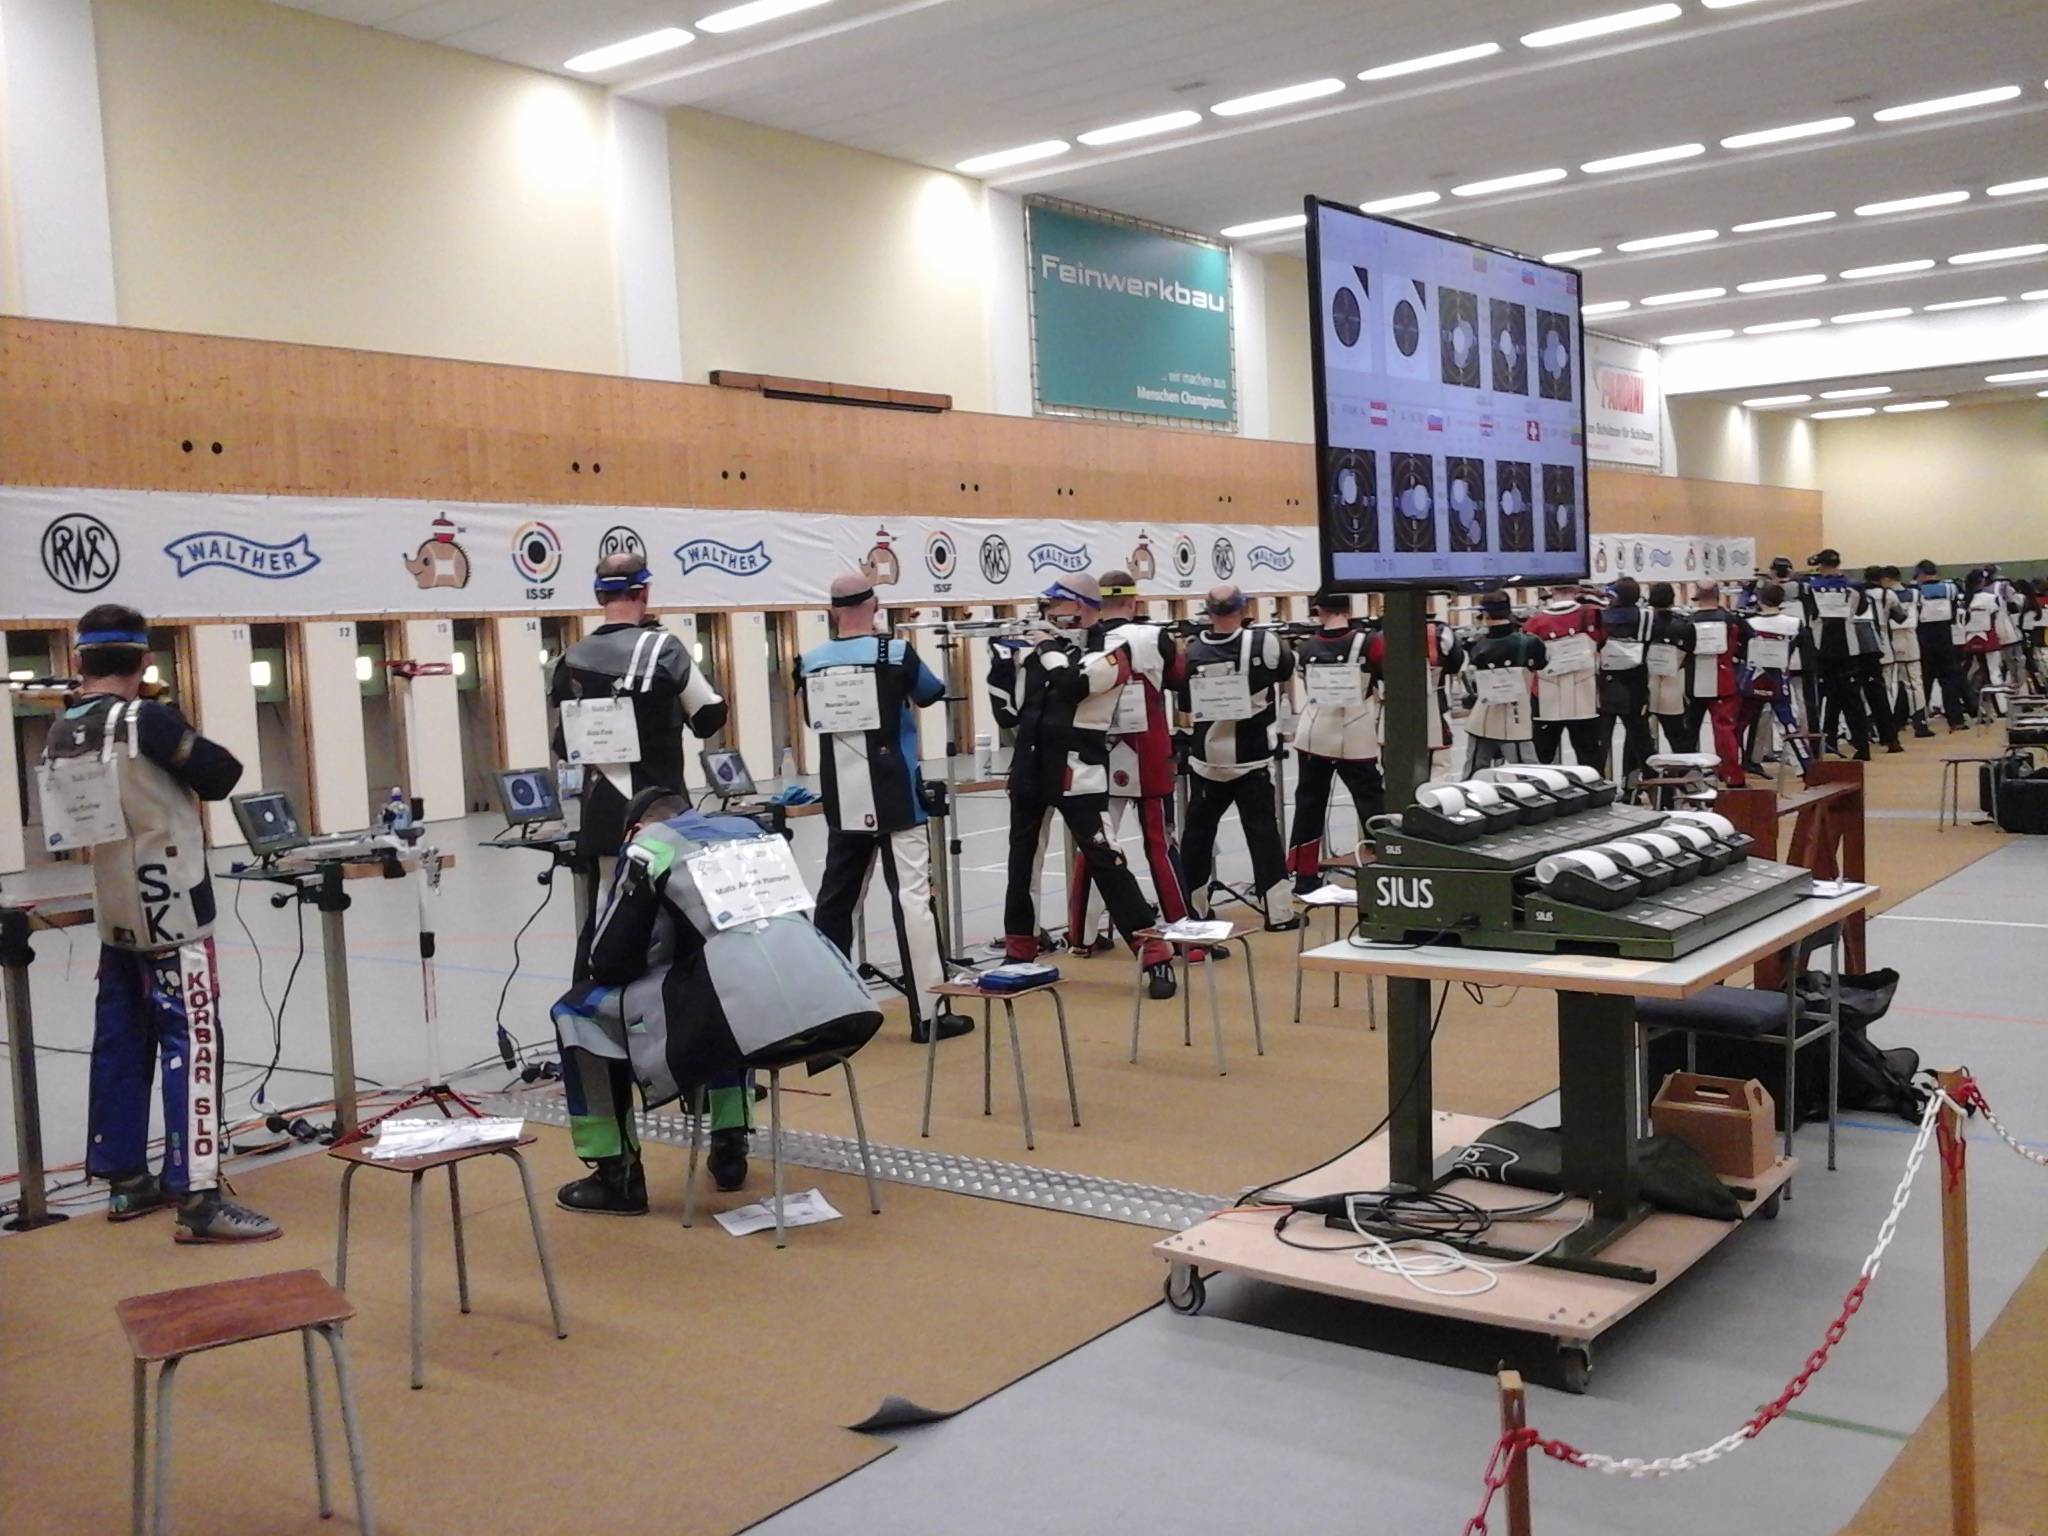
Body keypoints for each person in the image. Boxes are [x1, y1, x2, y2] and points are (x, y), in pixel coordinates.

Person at [40, 605, 278, 1242]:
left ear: (81, 660)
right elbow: (221, 775)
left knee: (120, 1040)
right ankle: (198, 1198)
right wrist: (169, 715)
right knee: (193, 1043)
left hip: (115, 905)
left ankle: (125, 1179)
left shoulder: (65, 726)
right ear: (144, 661)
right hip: (171, 904)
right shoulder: (147, 718)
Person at [798, 573, 972, 1045]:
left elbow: (811, 719)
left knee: (835, 904)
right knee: (913, 900)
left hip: (843, 798)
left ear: (831, 611)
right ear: (875, 605)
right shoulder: (895, 653)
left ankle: (829, 1018)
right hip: (897, 794)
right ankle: (929, 1014)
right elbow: (931, 692)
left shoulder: (810, 662)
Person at [988, 575, 1173, 990]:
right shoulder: (1041, 653)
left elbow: (1075, 684)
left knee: (1107, 861)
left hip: (1078, 770)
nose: (1050, 613)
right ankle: (1019, 949)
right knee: (1022, 864)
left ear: (1081, 606)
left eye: (1058, 605)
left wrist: (1045, 647)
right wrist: (1000, 664)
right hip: (1031, 768)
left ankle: (1153, 953)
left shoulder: (1113, 650)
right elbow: (1009, 713)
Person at [549, 552, 728, 967]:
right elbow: (708, 717)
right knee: (677, 922)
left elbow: (563, 743)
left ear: (599, 596)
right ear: (644, 592)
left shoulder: (569, 658)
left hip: (601, 814)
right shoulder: (663, 649)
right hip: (661, 812)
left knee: (607, 921)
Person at [1067, 571, 1190, 952]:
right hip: (1147, 750)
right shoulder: (1156, 637)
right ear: (1134, 602)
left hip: (1096, 751)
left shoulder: (1082, 640)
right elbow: (1179, 677)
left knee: (1095, 847)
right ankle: (1185, 936)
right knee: (1160, 844)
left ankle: (1081, 937)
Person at [1176, 584, 1301, 929]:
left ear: (1208, 612)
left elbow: (1185, 704)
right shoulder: (1265, 644)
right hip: (1252, 758)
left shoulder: (1193, 651)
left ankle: (1195, 912)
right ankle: (1279, 913)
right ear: (1244, 609)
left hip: (1207, 760)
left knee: (1197, 837)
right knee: (1263, 835)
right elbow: (1285, 671)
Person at [1287, 590, 1383, 893]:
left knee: (1308, 806)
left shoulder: (1305, 647)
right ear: (1349, 607)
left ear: (1318, 610)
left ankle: (1304, 877)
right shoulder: (1370, 642)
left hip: (1313, 732)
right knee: (1371, 802)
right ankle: (1386, 868)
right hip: (1354, 731)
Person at [1802, 550, 1898, 760]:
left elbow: (1809, 613)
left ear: (1821, 565)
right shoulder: (1855, 586)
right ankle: (1862, 746)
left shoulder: (1810, 587)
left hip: (1821, 648)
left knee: (1824, 699)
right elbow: (1861, 609)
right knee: (1853, 700)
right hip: (1849, 648)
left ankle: (1823, 744)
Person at [1462, 591, 1546, 776]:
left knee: (1474, 771)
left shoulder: (1476, 645)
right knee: (1528, 771)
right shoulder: (1530, 642)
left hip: (1483, 715)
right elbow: (1541, 664)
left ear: (1485, 614)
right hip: (1516, 714)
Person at [1522, 586, 1605, 769]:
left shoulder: (1535, 622)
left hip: (1546, 696)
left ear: (1552, 591)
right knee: (1589, 756)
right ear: (1576, 591)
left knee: (1542, 758)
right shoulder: (1592, 615)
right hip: (1584, 694)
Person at [1737, 582, 1810, 778]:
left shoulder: (1748, 623)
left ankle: (1732, 767)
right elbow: (1801, 648)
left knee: (1738, 725)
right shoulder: (1794, 624)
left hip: (1753, 678)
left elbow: (1741, 650)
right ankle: (1805, 767)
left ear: (1760, 600)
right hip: (1779, 678)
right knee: (1788, 724)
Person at [1597, 576, 1654, 779]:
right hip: (1636, 686)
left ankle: (1597, 786)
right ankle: (1650, 784)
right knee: (1642, 742)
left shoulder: (1601, 618)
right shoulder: (1647, 617)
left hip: (1604, 687)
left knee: (1600, 744)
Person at [1913, 559, 1970, 732]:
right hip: (1945, 636)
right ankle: (1956, 720)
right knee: (1950, 681)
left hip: (1923, 638)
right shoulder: (1951, 588)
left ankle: (1920, 721)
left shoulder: (1916, 591)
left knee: (1924, 682)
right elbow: (1955, 610)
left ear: (1920, 574)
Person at [1880, 567, 1936, 739]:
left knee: (1896, 682)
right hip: (1907, 637)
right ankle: (1917, 722)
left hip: (1894, 636)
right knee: (1912, 682)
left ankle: (1902, 723)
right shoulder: (1914, 593)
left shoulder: (1886, 595)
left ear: (1887, 579)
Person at [1643, 582, 1698, 752]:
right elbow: (1691, 652)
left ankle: (1637, 768)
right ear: (1673, 599)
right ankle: (1683, 766)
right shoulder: (1684, 625)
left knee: (1638, 737)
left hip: (1646, 683)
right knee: (1677, 735)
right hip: (1674, 684)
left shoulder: (1644, 624)